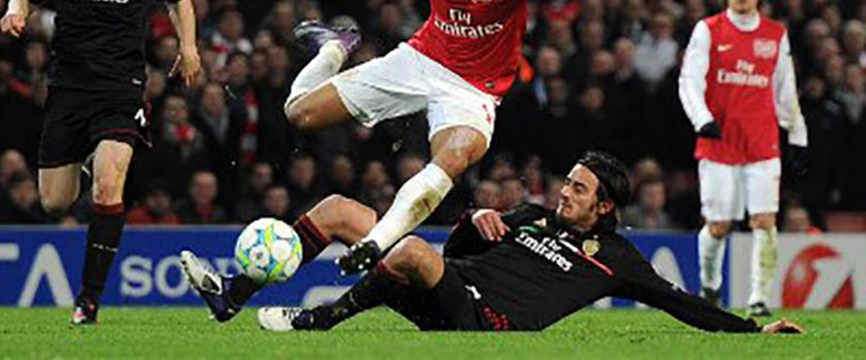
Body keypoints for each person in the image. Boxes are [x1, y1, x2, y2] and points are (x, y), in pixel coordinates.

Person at [279, 0, 604, 273]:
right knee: (299, 113)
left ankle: (374, 244)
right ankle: (334, 47)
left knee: (454, 157)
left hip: (472, 92)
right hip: (421, 61)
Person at [182, 151, 802, 335]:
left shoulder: (616, 259)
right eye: (569, 182)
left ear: (604, 206)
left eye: (579, 190)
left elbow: (678, 302)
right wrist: (473, 219)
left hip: (485, 320)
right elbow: (463, 253)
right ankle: (232, 294)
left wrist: (752, 332)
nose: (565, 194)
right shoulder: (533, 214)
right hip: (448, 284)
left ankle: (316, 321)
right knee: (342, 210)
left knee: (410, 253)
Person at [0, 0, 201, 326]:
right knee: (54, 199)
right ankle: (93, 159)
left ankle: (88, 301)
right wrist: (16, 10)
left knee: (110, 183)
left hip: (122, 83)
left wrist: (188, 47)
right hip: (68, 84)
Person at [678, 0, 807, 317]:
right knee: (718, 226)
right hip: (718, 143)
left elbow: (785, 90)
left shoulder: (774, 35)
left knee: (764, 221)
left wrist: (797, 135)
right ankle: (709, 286)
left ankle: (759, 299)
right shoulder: (709, 30)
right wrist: (701, 119)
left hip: (762, 144)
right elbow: (690, 80)